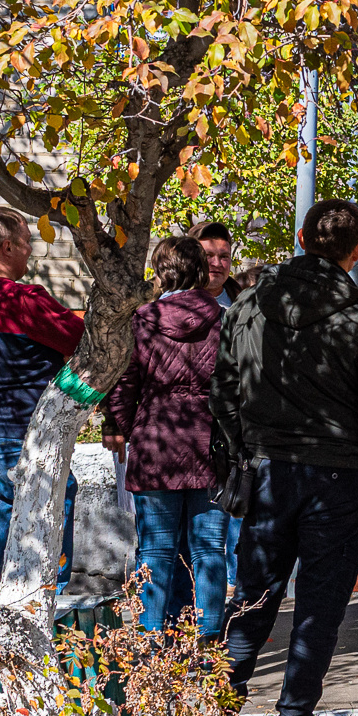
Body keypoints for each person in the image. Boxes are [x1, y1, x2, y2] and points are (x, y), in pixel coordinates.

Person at [210, 199, 358, 716]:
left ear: (300, 237)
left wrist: (246, 451)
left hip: (272, 470)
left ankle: (219, 712)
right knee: (319, 603)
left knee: (253, 596)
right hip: (338, 477)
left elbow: (223, 392)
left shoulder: (247, 305)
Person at [0, 208, 85, 672]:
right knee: (46, 545)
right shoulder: (21, 299)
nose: (31, 250)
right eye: (27, 242)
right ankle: (39, 656)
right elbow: (79, 338)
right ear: (6, 248)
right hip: (29, 436)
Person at [104, 236, 228, 636]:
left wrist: (129, 427)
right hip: (209, 447)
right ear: (198, 271)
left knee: (155, 553)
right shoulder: (225, 319)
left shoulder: (143, 320)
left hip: (156, 445)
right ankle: (208, 654)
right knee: (209, 552)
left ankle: (150, 649)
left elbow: (124, 384)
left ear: (161, 272)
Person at [192, 221, 241, 307]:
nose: (217, 263)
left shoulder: (244, 301)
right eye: (208, 255)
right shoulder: (172, 305)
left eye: (224, 256)